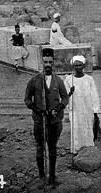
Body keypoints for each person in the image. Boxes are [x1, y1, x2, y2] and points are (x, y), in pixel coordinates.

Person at [24, 48, 68, 188]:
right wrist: (37, 110)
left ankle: (53, 176)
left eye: (50, 62)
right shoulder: (34, 80)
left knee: (53, 147)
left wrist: (58, 108)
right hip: (39, 121)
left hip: (55, 121)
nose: (47, 65)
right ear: (41, 63)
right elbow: (27, 99)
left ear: (53, 63)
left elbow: (65, 98)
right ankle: (42, 176)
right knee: (40, 148)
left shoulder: (58, 80)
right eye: (45, 62)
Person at [64, 55, 100, 155]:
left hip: (87, 110)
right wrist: (70, 93)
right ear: (73, 67)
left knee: (88, 129)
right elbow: (64, 97)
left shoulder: (89, 79)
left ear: (83, 65)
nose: (78, 67)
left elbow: (95, 95)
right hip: (75, 110)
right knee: (76, 129)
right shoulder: (68, 80)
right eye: (76, 65)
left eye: (80, 65)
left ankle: (89, 150)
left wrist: (95, 111)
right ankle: (76, 151)